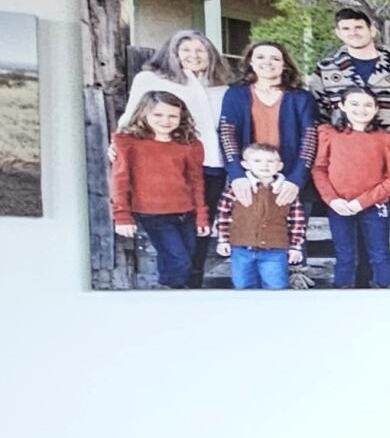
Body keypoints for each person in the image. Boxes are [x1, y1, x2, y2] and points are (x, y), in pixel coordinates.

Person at [310, 7, 390, 286]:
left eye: (359, 27)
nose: (353, 33)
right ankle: (364, 290)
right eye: (346, 29)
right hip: (352, 170)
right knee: (361, 236)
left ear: (372, 30)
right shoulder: (327, 70)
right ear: (338, 33)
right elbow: (317, 115)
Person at [108, 91, 210, 289]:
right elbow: (119, 180)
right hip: (153, 214)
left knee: (183, 261)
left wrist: (201, 216)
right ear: (143, 114)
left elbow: (196, 182)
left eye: (172, 116)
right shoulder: (127, 142)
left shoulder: (190, 144)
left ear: (181, 117)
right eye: (158, 115)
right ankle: (170, 301)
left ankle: (167, 294)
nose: (166, 121)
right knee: (179, 261)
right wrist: (122, 216)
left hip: (185, 213)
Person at [312, 85, 390, 288]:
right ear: (342, 106)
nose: (361, 109)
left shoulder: (386, 139)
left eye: (367, 105)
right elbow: (319, 169)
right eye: (354, 104)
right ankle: (343, 295)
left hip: (373, 206)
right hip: (339, 205)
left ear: (376, 108)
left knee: (379, 254)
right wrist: (332, 200)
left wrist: (362, 202)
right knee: (345, 255)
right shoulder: (329, 134)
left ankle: (384, 292)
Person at [119, 31, 229, 195]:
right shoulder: (151, 79)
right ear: (173, 53)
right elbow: (131, 117)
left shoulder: (223, 88)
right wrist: (119, 144)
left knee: (207, 217)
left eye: (200, 50)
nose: (194, 55)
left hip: (213, 162)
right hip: (170, 160)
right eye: (186, 50)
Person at [219, 38, 316, 189]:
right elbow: (227, 134)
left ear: (284, 65)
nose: (268, 62)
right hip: (248, 178)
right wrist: (237, 175)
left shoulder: (301, 98)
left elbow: (310, 139)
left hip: (290, 179)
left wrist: (296, 178)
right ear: (250, 62)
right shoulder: (235, 94)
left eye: (275, 58)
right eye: (260, 57)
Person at [213, 142, 308, 289]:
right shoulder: (236, 188)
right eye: (257, 161)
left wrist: (295, 247)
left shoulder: (286, 190)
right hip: (241, 249)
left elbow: (297, 221)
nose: (265, 165)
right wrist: (223, 240)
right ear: (245, 164)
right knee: (243, 286)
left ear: (280, 166)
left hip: (275, 251)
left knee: (276, 287)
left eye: (270, 161)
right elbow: (223, 215)